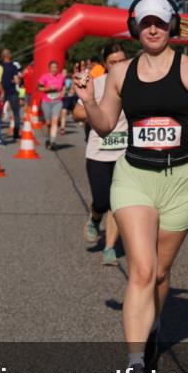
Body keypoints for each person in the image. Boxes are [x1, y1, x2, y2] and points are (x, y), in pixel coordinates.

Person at [76, 0, 188, 373]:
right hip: (134, 178)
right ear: (135, 28)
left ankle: (154, 324)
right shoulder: (121, 73)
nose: (153, 29)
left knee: (160, 273)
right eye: (146, 23)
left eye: (160, 22)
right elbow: (105, 125)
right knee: (142, 271)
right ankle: (135, 365)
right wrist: (89, 102)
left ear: (172, 25)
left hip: (179, 181)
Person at [74, 43, 130, 264]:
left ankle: (109, 248)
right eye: (113, 62)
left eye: (122, 61)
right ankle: (95, 217)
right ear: (105, 64)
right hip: (98, 152)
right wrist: (94, 109)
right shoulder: (95, 84)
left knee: (117, 203)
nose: (118, 65)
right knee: (102, 201)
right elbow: (77, 113)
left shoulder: (136, 84)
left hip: (125, 153)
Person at [38, 61, 66, 150]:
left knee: (55, 121)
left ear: (58, 68)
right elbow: (39, 88)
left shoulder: (61, 77)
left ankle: (53, 141)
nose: (54, 69)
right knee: (48, 123)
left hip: (57, 102)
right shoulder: (44, 77)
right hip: (46, 102)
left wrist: (63, 92)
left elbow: (64, 86)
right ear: (49, 68)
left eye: (55, 67)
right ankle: (47, 139)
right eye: (52, 67)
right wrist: (48, 88)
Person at [0, 49, 21, 143]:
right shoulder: (13, 67)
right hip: (12, 91)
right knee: (16, 112)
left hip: (1, 92)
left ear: (3, 56)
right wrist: (14, 80)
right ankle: (16, 133)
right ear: (9, 56)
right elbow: (17, 81)